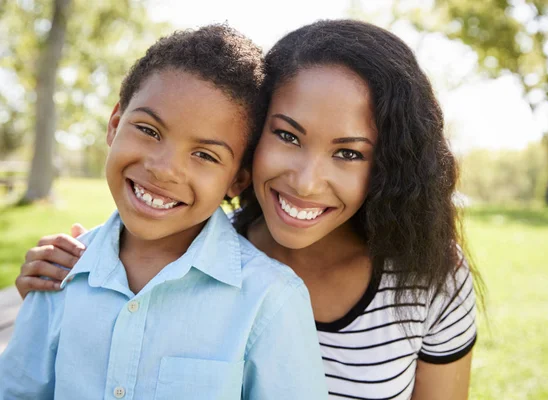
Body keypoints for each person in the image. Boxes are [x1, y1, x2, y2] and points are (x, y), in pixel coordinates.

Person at [15, 20, 482, 400]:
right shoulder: (180, 247)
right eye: (287, 135)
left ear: (388, 164)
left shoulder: (431, 276)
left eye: (348, 153)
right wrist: (59, 283)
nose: (305, 181)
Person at [0, 25, 328, 400]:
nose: (164, 168)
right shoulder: (58, 274)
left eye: (205, 155)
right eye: (149, 130)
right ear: (114, 124)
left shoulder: (268, 299)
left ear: (237, 179)